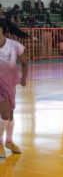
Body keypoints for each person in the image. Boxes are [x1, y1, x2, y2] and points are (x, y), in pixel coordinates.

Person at [0, 20, 28, 158]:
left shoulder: (14, 46)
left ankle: (9, 141)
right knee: (5, 113)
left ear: (3, 31)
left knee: (10, 114)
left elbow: (24, 62)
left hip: (9, 84)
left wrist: (24, 78)